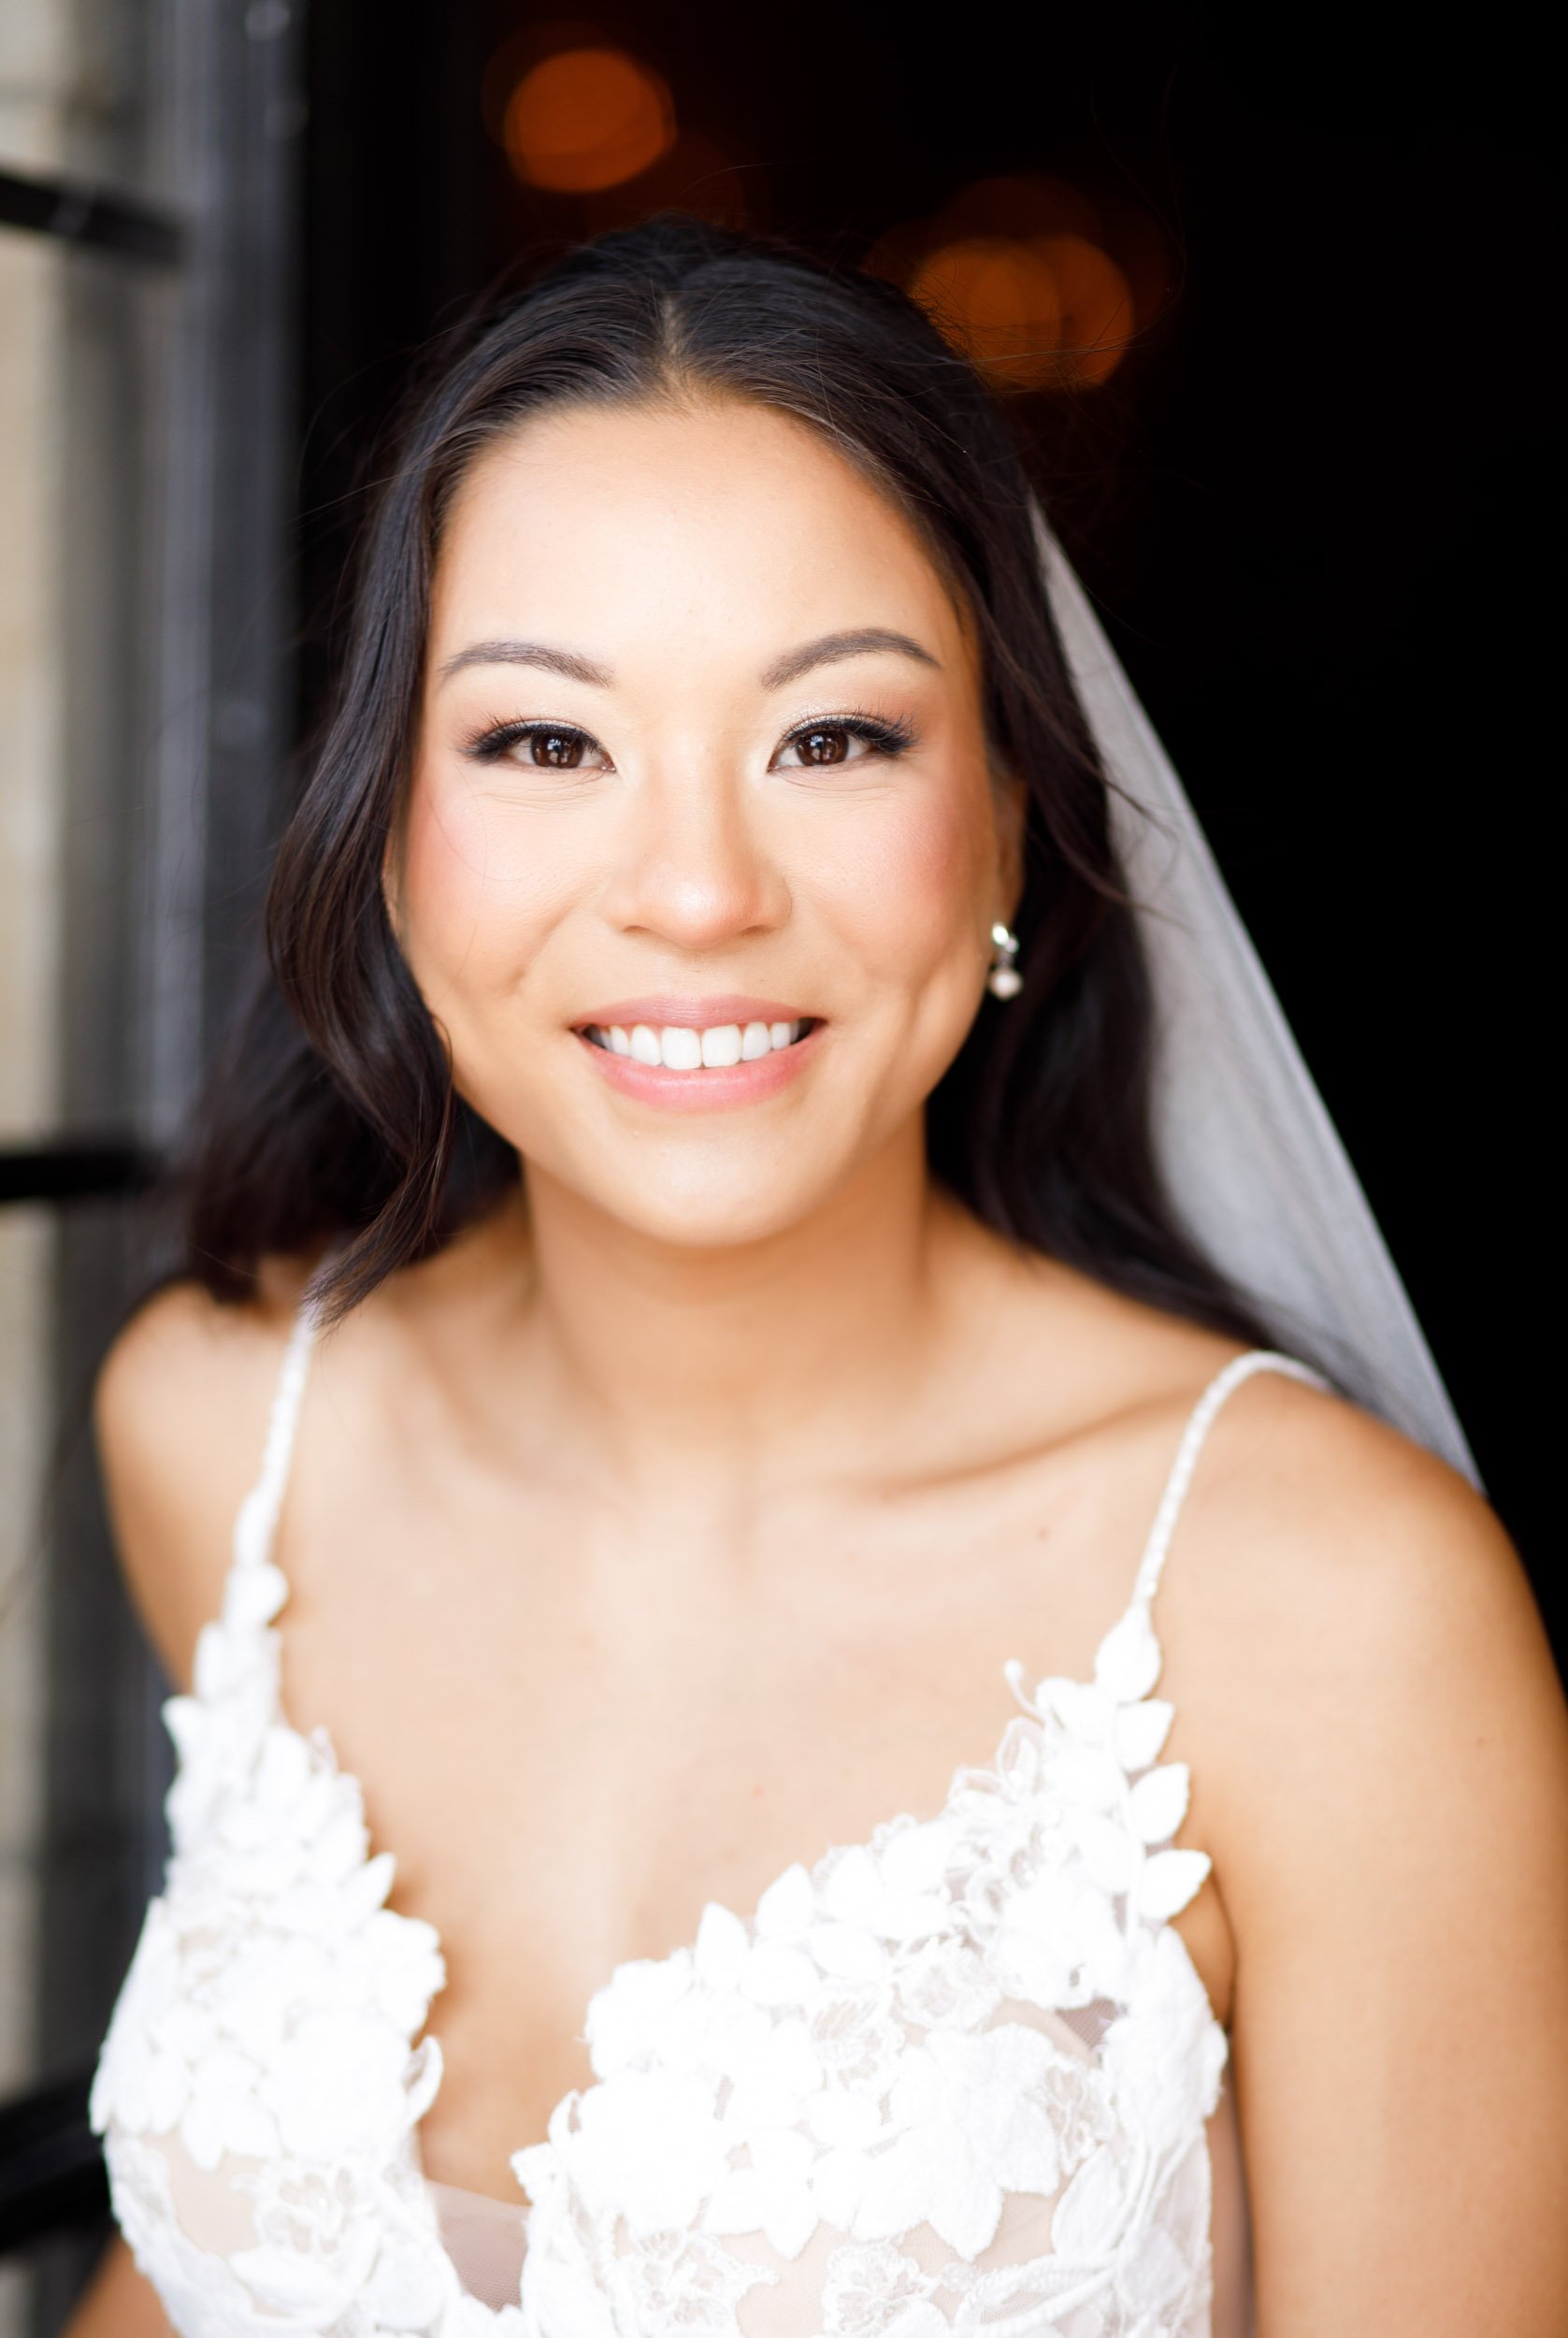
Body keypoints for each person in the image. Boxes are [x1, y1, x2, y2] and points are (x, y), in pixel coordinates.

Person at [69, 220, 1567, 2337]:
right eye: (545, 744)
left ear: (1012, 820)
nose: (695, 890)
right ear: (385, 835)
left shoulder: (1321, 1613)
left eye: (835, 738)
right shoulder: (226, 1426)